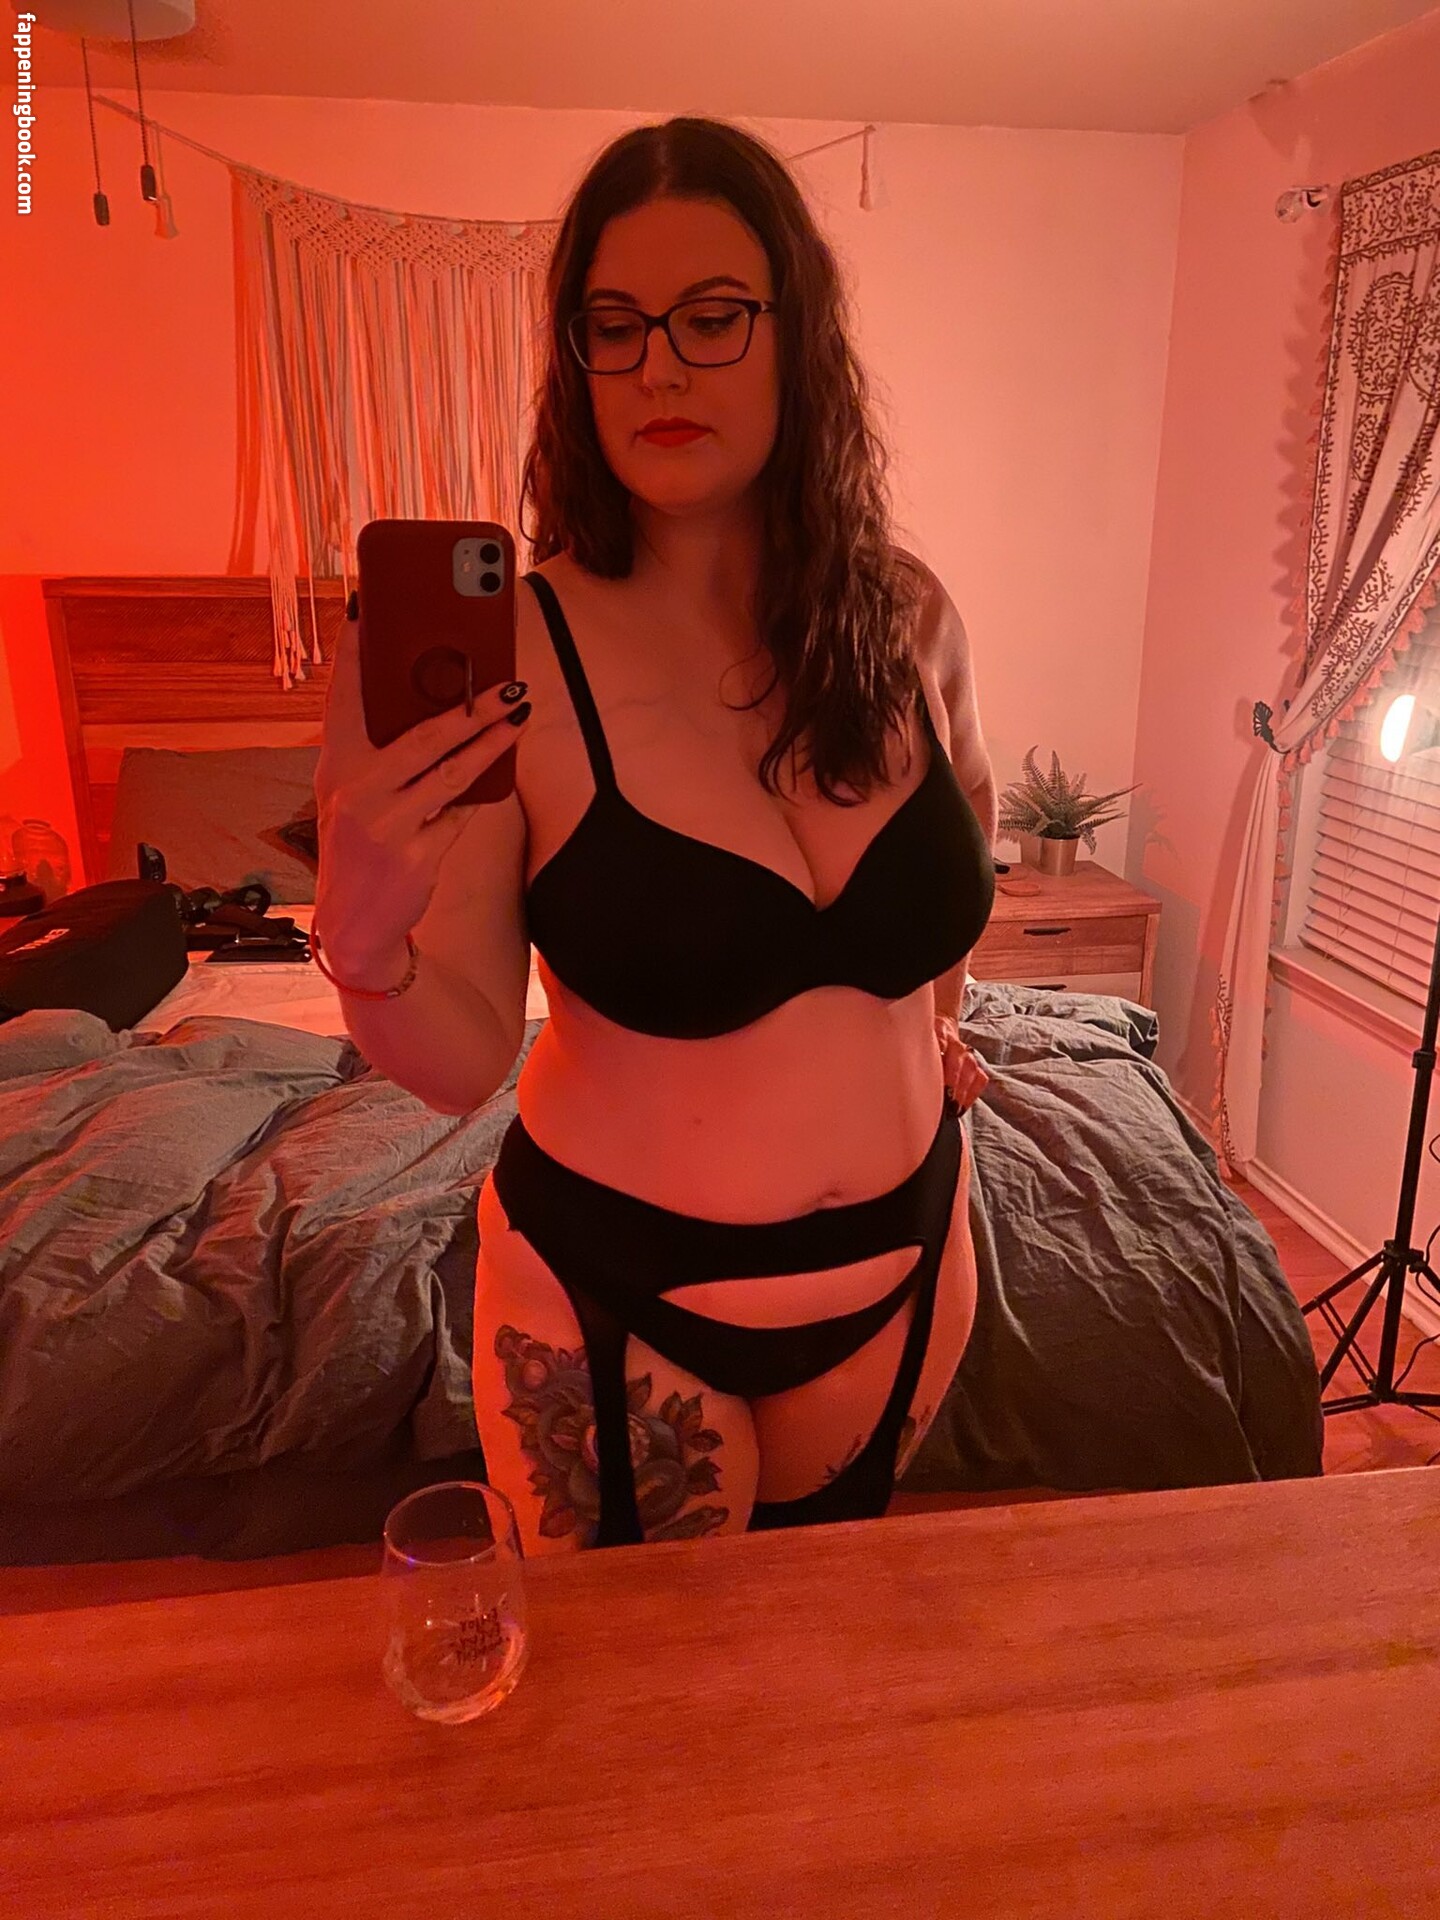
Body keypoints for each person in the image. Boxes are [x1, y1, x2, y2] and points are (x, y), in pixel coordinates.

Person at [314, 116, 998, 1552]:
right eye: (613, 327)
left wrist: (942, 1015)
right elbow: (459, 1061)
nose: (659, 369)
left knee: (833, 1662)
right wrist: (361, 943)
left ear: (798, 337)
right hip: (620, 1299)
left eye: (712, 315)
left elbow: (969, 825)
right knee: (645, 1699)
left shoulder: (908, 616)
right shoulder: (512, 659)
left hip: (912, 1258)